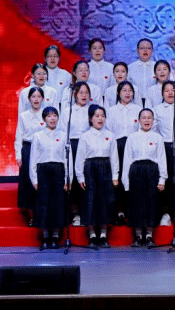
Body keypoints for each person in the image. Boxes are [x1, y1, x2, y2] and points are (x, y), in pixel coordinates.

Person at [74, 104, 119, 247]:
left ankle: (104, 235)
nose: (100, 119)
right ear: (90, 118)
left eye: (103, 116)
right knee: (91, 201)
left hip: (106, 168)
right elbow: (80, 158)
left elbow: (114, 157)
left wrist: (115, 176)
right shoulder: (85, 136)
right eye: (97, 116)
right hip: (90, 169)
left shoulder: (110, 135)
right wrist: (80, 176)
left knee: (105, 201)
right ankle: (92, 235)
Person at [122, 108, 167, 248]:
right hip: (136, 171)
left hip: (152, 171)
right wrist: (126, 182)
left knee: (151, 203)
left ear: (153, 121)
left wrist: (162, 179)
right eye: (144, 117)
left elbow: (162, 159)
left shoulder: (158, 138)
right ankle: (137, 235)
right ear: (139, 120)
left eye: (149, 118)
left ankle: (148, 235)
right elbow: (127, 160)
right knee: (136, 203)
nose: (146, 120)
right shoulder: (132, 137)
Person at [29, 107, 73, 249]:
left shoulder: (64, 135)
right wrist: (34, 179)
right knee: (44, 203)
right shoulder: (38, 136)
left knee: (57, 204)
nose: (52, 119)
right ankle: (45, 235)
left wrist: (68, 178)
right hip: (43, 172)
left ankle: (55, 235)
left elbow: (68, 159)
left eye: (55, 116)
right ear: (44, 119)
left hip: (58, 171)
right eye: (49, 116)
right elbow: (33, 159)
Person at [106, 81, 143, 225]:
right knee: (118, 177)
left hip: (134, 145)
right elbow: (109, 131)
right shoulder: (111, 111)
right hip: (117, 145)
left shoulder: (138, 109)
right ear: (118, 93)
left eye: (130, 90)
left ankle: (132, 209)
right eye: (124, 90)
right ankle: (119, 210)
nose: (127, 93)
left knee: (133, 176)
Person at [153, 81, 175, 226]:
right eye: (166, 90)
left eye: (173, 90)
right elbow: (153, 131)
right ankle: (165, 214)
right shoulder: (157, 109)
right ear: (162, 93)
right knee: (165, 182)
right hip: (164, 148)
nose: (170, 93)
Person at [60, 81, 92, 225]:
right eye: (81, 93)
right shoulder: (68, 111)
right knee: (73, 180)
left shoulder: (92, 110)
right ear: (74, 95)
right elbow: (62, 132)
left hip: (88, 146)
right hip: (73, 146)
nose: (84, 96)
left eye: (86, 93)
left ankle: (87, 212)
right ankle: (75, 213)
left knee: (87, 179)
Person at [15, 87, 47, 226]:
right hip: (27, 149)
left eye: (38, 96)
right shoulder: (24, 116)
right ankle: (31, 216)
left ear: (42, 98)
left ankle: (42, 214)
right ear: (29, 99)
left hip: (43, 150)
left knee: (42, 181)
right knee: (28, 183)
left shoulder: (47, 114)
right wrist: (18, 155)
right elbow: (19, 136)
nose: (36, 99)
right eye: (33, 97)